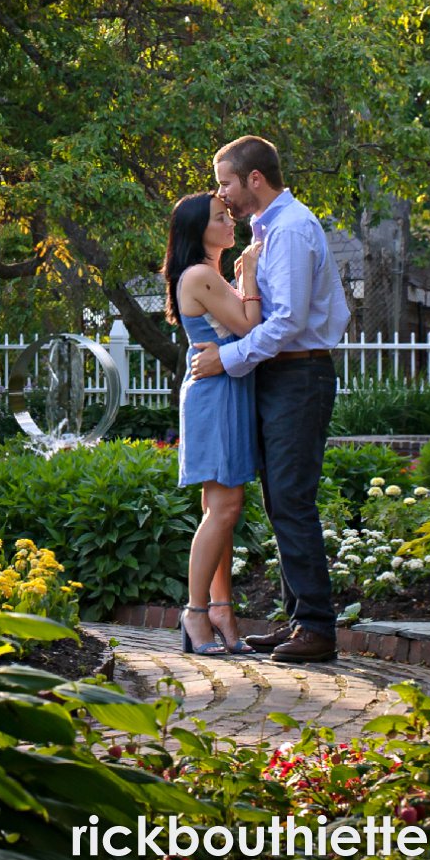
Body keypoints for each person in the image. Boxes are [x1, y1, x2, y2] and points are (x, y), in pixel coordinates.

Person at [188, 135, 352, 664]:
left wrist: (227, 360)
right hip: (276, 376)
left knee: (291, 498)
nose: (223, 193)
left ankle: (317, 629)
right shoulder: (267, 232)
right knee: (280, 500)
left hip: (299, 377)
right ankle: (298, 621)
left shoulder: (292, 228)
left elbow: (288, 322)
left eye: (226, 183)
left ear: (254, 179)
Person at [166, 191, 264, 655]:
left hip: (225, 389)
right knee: (224, 508)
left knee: (222, 510)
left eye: (228, 215)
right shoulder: (202, 275)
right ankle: (195, 611)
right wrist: (249, 278)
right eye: (220, 218)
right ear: (197, 231)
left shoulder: (209, 273)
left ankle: (222, 608)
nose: (231, 223)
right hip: (214, 394)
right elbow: (249, 327)